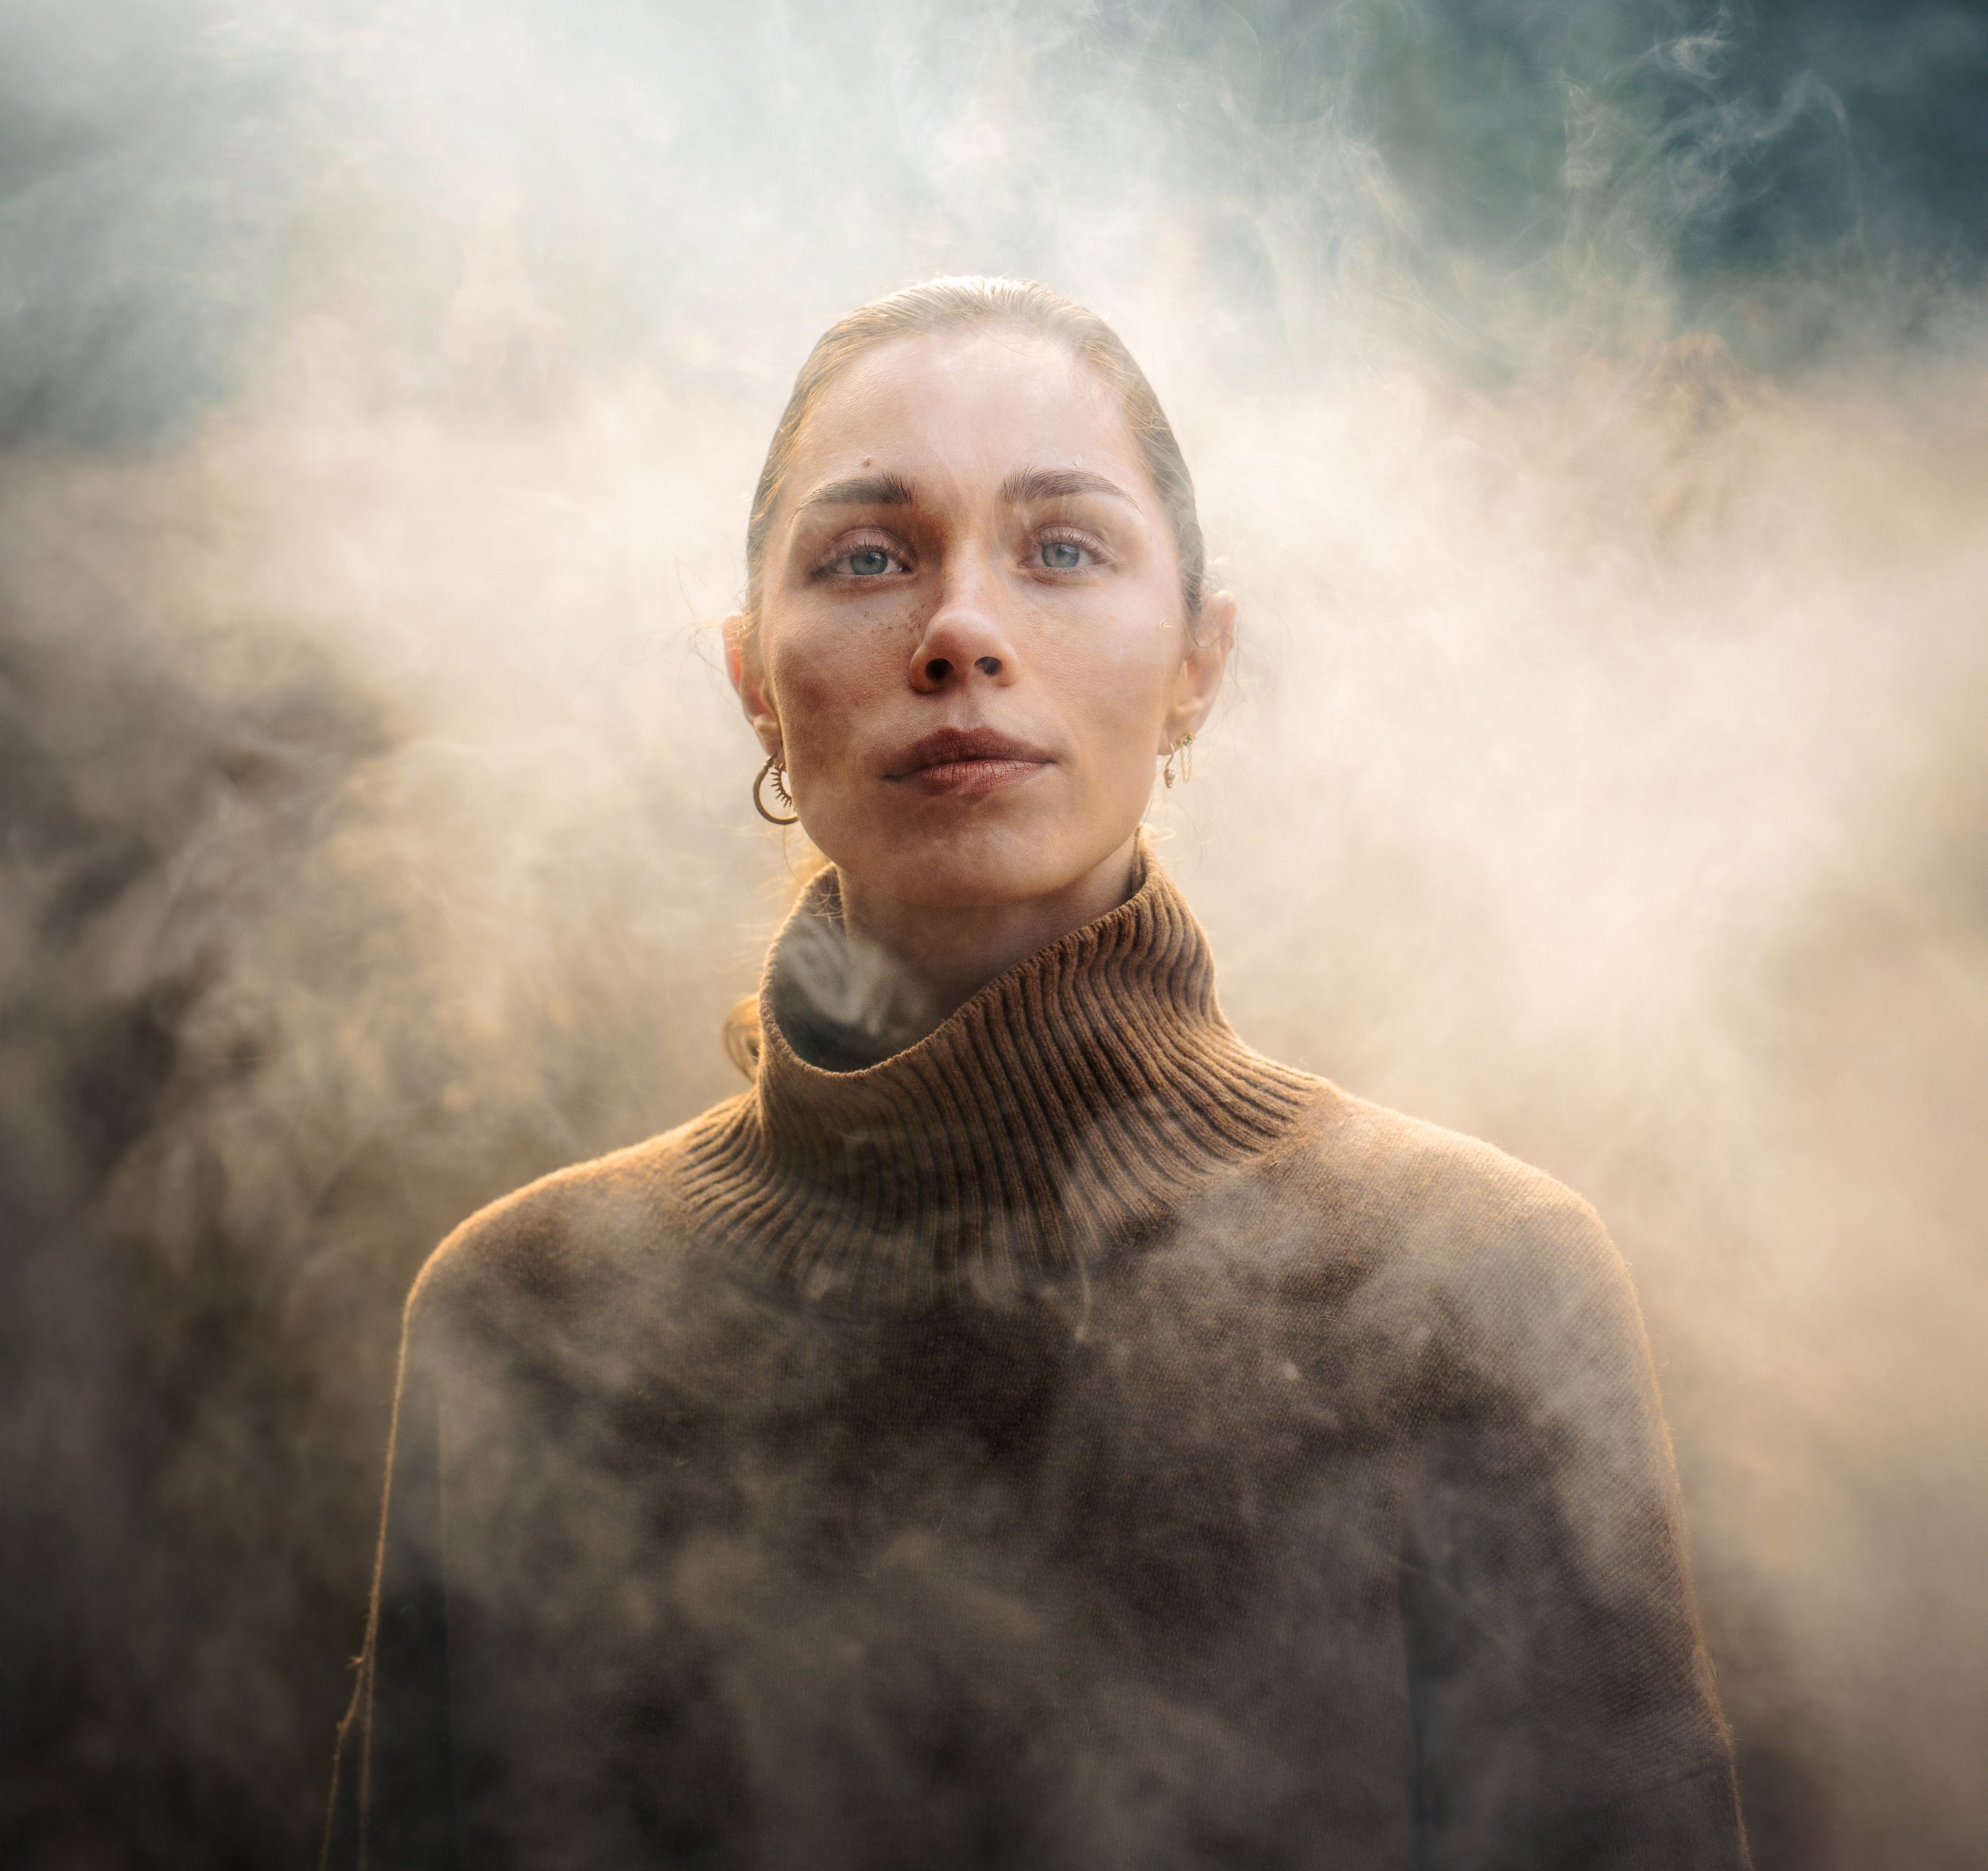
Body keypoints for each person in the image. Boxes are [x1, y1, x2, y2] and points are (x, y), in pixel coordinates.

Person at [325, 276, 1749, 1870]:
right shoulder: (523, 1314)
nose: (960, 633)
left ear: (1197, 663)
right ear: (750, 678)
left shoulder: (1465, 1283)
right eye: (866, 557)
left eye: (1061, 548)